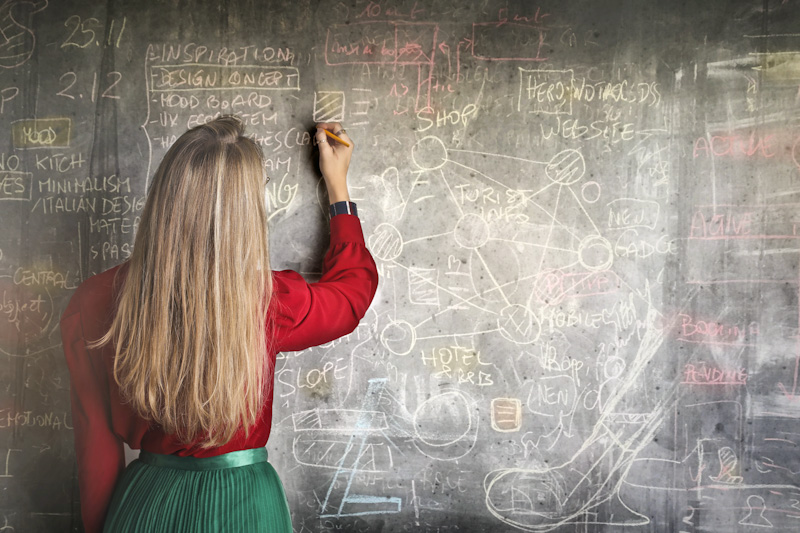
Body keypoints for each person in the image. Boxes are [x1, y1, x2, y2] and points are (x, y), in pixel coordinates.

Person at [59, 116, 378, 532]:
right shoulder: (270, 301)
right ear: (246, 211)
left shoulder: (94, 301)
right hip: (244, 505)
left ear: (164, 197)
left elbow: (96, 450)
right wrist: (338, 189)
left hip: (146, 504)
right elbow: (352, 294)